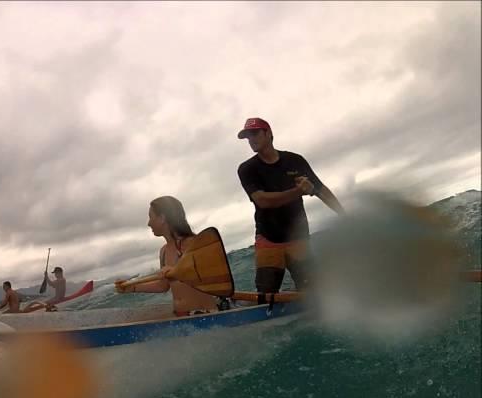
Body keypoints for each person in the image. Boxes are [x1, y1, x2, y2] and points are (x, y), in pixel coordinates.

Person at [236, 117, 344, 293]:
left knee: (312, 292)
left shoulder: (295, 160)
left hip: (298, 237)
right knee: (266, 295)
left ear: (269, 133)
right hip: (268, 239)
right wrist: (299, 191)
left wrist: (344, 215)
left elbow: (321, 189)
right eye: (248, 137)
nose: (251, 140)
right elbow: (263, 201)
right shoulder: (247, 169)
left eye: (255, 133)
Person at [115, 196, 217, 316]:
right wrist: (132, 287)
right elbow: (162, 286)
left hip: (203, 314)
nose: (148, 223)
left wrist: (178, 271)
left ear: (162, 218)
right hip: (180, 315)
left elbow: (210, 276)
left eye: (151, 217)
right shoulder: (163, 251)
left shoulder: (195, 243)